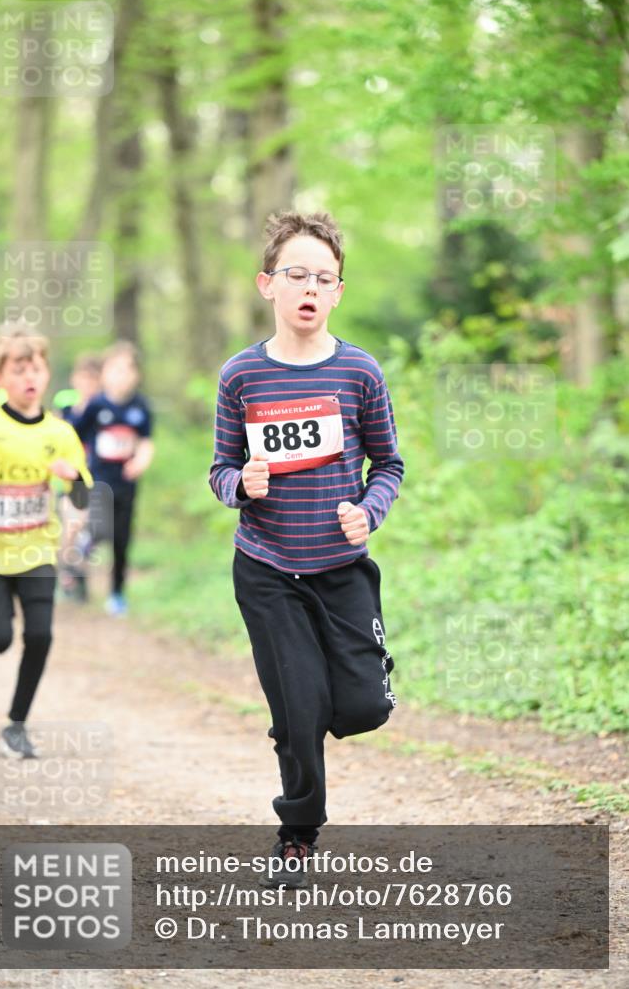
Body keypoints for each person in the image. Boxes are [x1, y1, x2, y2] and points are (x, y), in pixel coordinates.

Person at [209, 210, 404, 886]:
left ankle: (336, 698)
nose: (310, 287)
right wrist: (241, 483)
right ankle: (297, 834)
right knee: (298, 708)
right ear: (267, 284)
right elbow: (219, 470)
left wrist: (368, 512)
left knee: (362, 708)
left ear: (338, 293)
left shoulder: (358, 372)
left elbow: (389, 465)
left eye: (324, 277)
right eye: (296, 274)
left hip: (341, 569)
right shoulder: (241, 376)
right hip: (266, 568)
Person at [0, 320, 93, 758]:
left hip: (37, 549)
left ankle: (16, 726)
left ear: (47, 373)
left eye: (35, 368)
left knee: (40, 635)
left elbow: (83, 493)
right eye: (18, 371)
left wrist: (73, 478)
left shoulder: (60, 433)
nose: (29, 378)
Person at [72, 341, 154, 616]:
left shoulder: (140, 406)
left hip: (127, 483)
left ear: (137, 375)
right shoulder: (96, 405)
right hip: (98, 479)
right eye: (116, 369)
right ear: (104, 374)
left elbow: (146, 441)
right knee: (99, 526)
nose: (122, 376)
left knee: (121, 540)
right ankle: (87, 541)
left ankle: (117, 593)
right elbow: (74, 435)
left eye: (128, 369)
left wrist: (141, 460)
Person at [53, 354, 102, 602]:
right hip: (72, 479)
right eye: (83, 379)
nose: (87, 385)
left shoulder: (102, 408)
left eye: (92, 380)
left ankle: (76, 573)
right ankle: (67, 571)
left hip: (98, 477)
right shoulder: (65, 406)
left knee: (91, 531)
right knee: (73, 524)